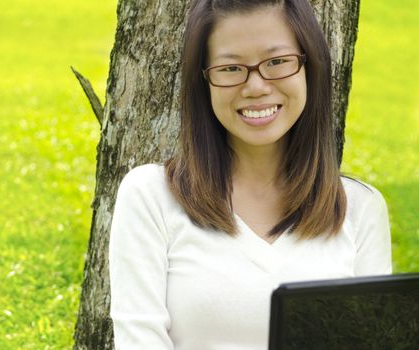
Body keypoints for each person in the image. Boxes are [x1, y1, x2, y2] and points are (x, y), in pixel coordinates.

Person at [109, 0, 392, 349]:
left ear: (309, 67)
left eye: (277, 62)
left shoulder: (359, 208)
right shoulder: (151, 196)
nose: (256, 87)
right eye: (230, 68)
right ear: (205, 82)